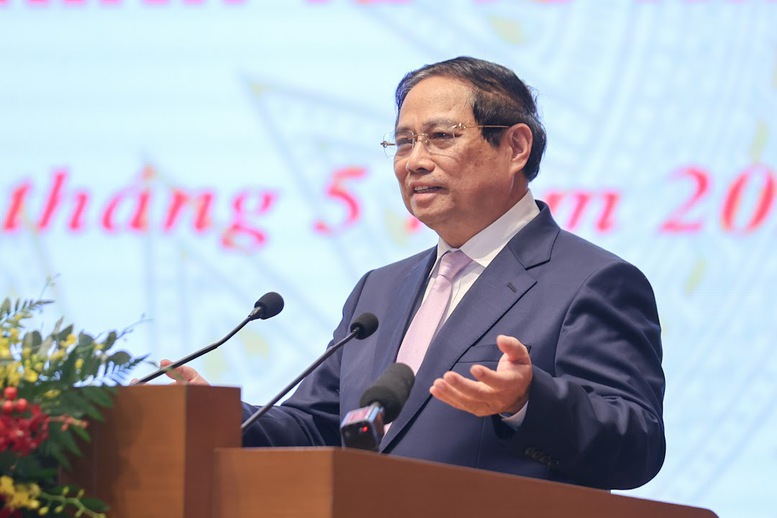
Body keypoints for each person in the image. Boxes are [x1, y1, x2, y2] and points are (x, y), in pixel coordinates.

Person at [164, 56, 665, 490]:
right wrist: (221, 418)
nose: (415, 162)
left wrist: (526, 402)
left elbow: (637, 444)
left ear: (515, 147)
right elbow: (320, 427)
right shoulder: (379, 290)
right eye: (404, 142)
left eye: (441, 137)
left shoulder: (592, 281)